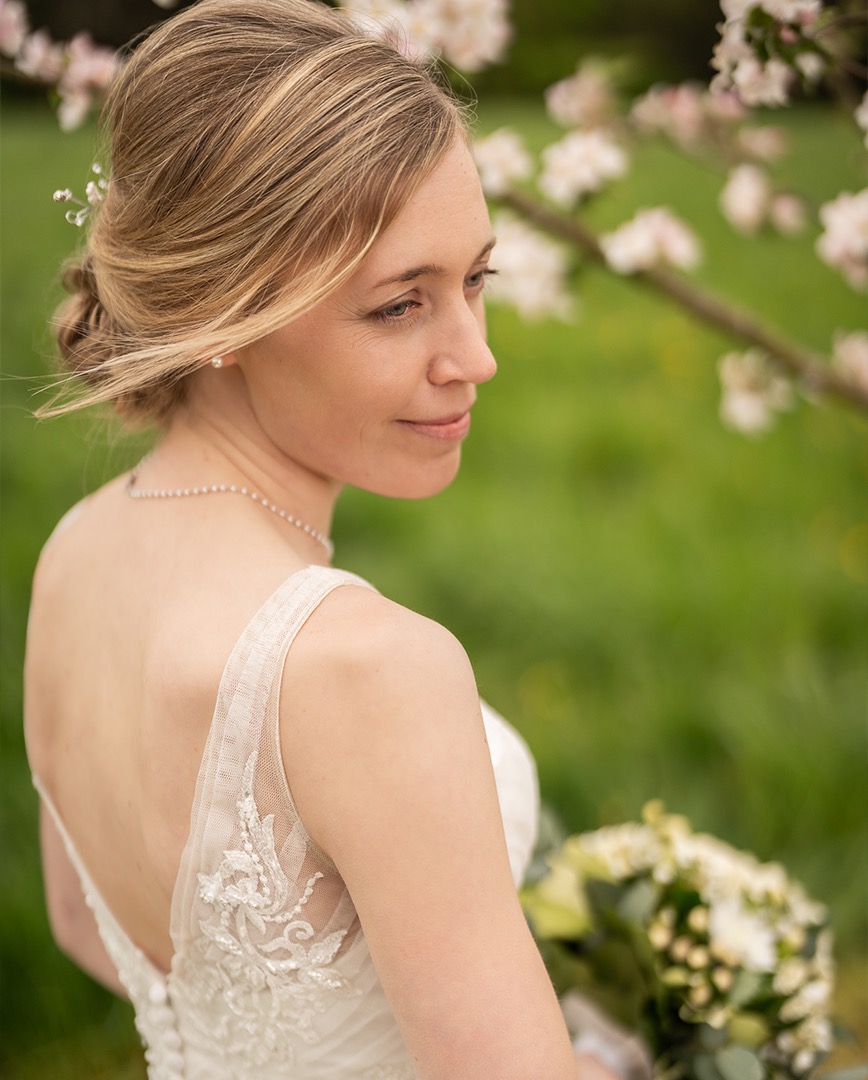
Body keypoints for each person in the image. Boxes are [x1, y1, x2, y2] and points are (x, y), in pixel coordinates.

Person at [24, 1, 628, 1077]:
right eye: (401, 306)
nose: (473, 358)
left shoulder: (73, 554)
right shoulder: (367, 670)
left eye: (475, 280)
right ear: (225, 308)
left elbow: (84, 927)